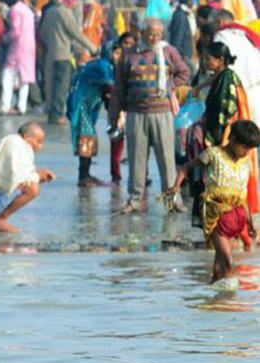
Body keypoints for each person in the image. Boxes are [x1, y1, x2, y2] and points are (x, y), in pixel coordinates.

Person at [110, 18, 190, 214]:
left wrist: (169, 86)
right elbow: (119, 88)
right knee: (137, 158)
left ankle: (172, 199)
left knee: (166, 160)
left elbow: (184, 72)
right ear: (142, 33)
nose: (154, 38)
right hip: (136, 114)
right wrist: (114, 115)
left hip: (162, 113)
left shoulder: (168, 52)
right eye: (151, 34)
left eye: (158, 34)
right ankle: (135, 199)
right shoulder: (129, 56)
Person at [168, 120, 260, 284]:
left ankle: (214, 302)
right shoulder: (213, 154)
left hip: (236, 218)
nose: (246, 152)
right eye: (244, 147)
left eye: (250, 149)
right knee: (229, 262)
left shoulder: (245, 162)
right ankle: (230, 301)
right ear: (231, 139)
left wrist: (251, 223)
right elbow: (185, 167)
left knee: (218, 268)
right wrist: (176, 187)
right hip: (214, 216)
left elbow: (242, 196)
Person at [196, 41, 259, 214]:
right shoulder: (222, 75)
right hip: (226, 135)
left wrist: (213, 139)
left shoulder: (227, 78)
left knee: (227, 183)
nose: (205, 62)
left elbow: (225, 111)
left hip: (225, 136)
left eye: (209, 59)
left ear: (220, 60)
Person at [0, 122, 56, 233]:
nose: (40, 146)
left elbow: (16, 175)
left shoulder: (15, 143)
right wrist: (38, 176)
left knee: (30, 185)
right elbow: (17, 177)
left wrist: (37, 176)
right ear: (27, 137)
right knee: (33, 189)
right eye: (38, 141)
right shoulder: (15, 145)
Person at [39, 0, 97, 125]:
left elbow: (43, 34)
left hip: (51, 54)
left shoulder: (50, 11)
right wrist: (92, 48)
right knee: (61, 87)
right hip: (63, 54)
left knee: (52, 86)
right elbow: (76, 33)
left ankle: (52, 113)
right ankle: (57, 115)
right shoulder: (64, 13)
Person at [68, 43, 122, 187]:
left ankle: (86, 174)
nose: (119, 56)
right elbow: (110, 87)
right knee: (86, 136)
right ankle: (83, 176)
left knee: (88, 135)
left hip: (89, 105)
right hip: (81, 104)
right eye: (116, 53)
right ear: (109, 52)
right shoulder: (104, 65)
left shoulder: (109, 66)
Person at [213, 9, 260, 126]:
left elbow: (220, 69)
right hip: (256, 91)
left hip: (240, 96)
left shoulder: (221, 36)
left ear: (220, 21)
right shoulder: (245, 35)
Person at [0, 0, 36, 116]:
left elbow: (15, 31)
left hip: (17, 48)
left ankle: (5, 106)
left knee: (7, 76)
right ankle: (22, 107)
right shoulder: (27, 10)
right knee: (24, 80)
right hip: (29, 48)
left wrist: (4, 38)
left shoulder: (14, 11)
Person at [110, 31, 136, 185]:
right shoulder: (112, 65)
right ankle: (116, 174)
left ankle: (140, 175)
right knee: (117, 141)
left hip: (134, 107)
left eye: (130, 44)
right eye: (125, 43)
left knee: (137, 142)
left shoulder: (137, 62)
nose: (127, 47)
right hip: (118, 108)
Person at [168, 0, 196, 68]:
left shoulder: (186, 14)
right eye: (192, 0)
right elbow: (177, 36)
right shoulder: (180, 15)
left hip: (186, 53)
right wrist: (177, 55)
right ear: (188, 0)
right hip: (183, 54)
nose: (193, 2)